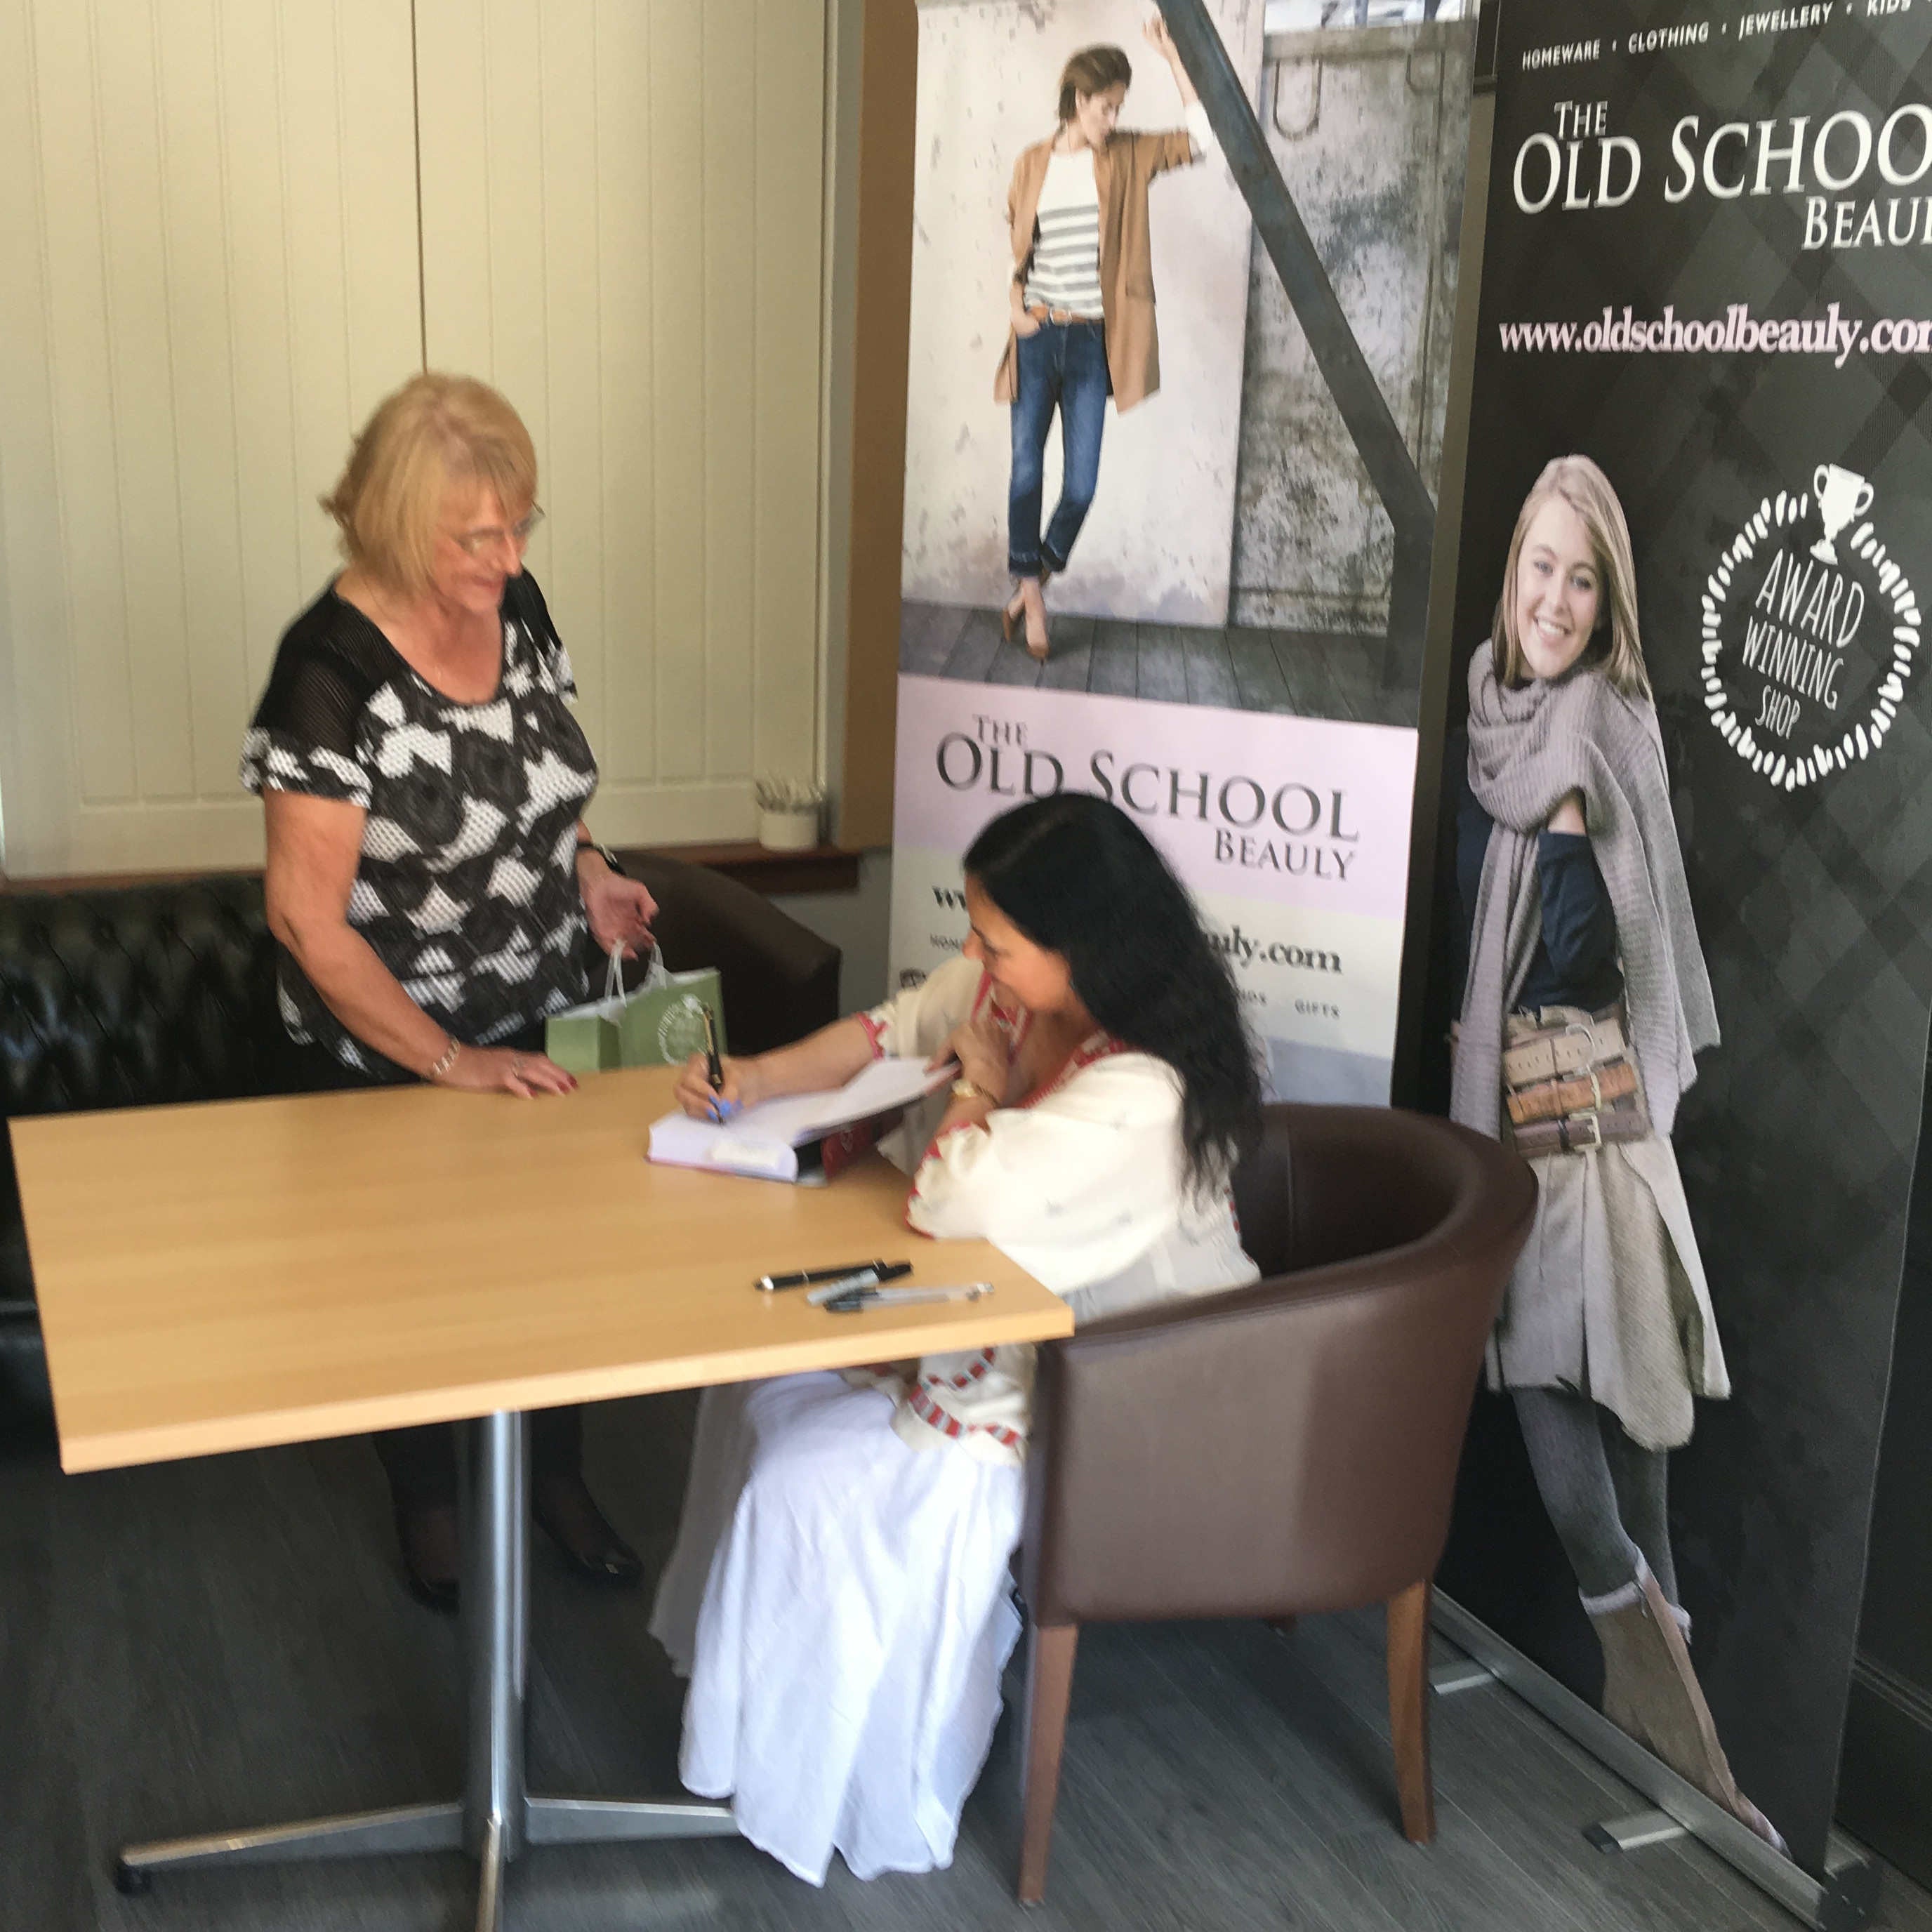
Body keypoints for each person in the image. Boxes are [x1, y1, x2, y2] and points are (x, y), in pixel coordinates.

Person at [649, 793, 1262, 1884]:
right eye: (976, 932)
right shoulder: (1018, 994)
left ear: (1088, 951)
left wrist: (976, 1089)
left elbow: (949, 1203)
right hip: (1012, 1328)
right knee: (752, 1391)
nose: (975, 959)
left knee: (803, 1480)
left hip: (1120, 1390)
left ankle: (847, 1773)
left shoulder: (1143, 1091)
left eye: (998, 942)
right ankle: (757, 1727)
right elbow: (893, 1029)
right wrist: (754, 1079)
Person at [239, 372, 658, 1613]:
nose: (507, 555)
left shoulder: (517, 606)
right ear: (390, 520)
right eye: (475, 536)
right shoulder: (327, 672)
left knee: (558, 1269)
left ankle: (555, 1476)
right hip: (388, 1047)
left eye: (520, 525)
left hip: (545, 1001)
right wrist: (446, 1057)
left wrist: (588, 873)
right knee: (412, 1297)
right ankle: (427, 1502)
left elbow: (549, 787)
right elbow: (305, 920)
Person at [1450, 455, 1784, 1852]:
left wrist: (1575, 835)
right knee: (1570, 1437)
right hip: (1517, 1137)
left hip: (1594, 1143)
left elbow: (1620, 960)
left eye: (1580, 578)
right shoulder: (1491, 710)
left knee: (1625, 1442)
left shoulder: (1596, 728)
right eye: (1538, 564)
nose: (1552, 597)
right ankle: (1683, 1752)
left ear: (1608, 600)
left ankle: (1691, 1769)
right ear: (1512, 567)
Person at [995, 19, 1215, 660]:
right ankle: (1032, 595)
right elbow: (1017, 248)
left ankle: (1030, 579)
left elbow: (1201, 138)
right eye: (1105, 105)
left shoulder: (1127, 154)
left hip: (1093, 345)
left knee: (1082, 484)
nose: (1114, 117)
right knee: (1025, 470)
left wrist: (1175, 57)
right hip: (1038, 339)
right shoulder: (1032, 163)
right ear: (1076, 100)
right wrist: (1015, 307)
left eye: (1120, 105)